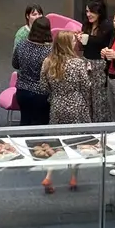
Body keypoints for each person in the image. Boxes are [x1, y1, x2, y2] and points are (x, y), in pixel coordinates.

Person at [39, 30, 95, 193]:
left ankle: (49, 175)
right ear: (66, 44)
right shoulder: (77, 63)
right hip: (76, 105)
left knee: (56, 141)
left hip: (57, 105)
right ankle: (73, 178)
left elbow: (43, 87)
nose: (75, 43)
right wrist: (89, 73)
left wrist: (55, 94)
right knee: (77, 142)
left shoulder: (48, 62)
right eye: (72, 41)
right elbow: (86, 86)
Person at [11, 15, 53, 125]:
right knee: (40, 125)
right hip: (41, 94)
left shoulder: (21, 45)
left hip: (22, 91)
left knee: (25, 122)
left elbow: (15, 64)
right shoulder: (49, 51)